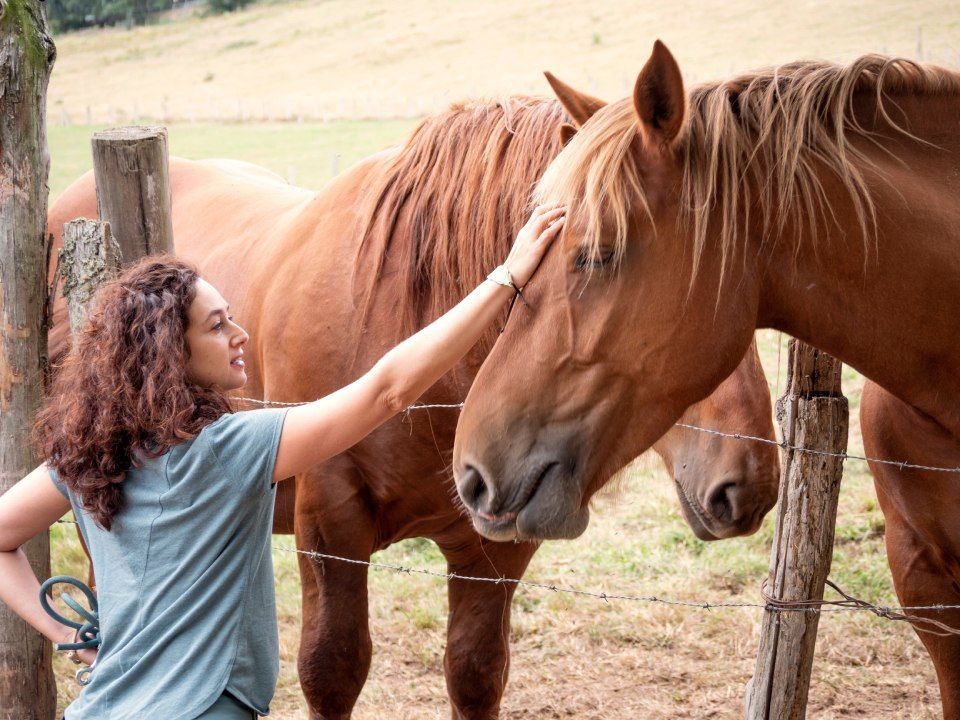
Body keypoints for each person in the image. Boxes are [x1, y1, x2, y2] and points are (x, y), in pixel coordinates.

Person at [0, 204, 565, 720]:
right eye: (218, 326)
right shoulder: (230, 450)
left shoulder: (87, 454)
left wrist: (73, 634)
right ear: (172, 355)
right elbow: (385, 391)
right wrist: (505, 278)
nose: (240, 335)